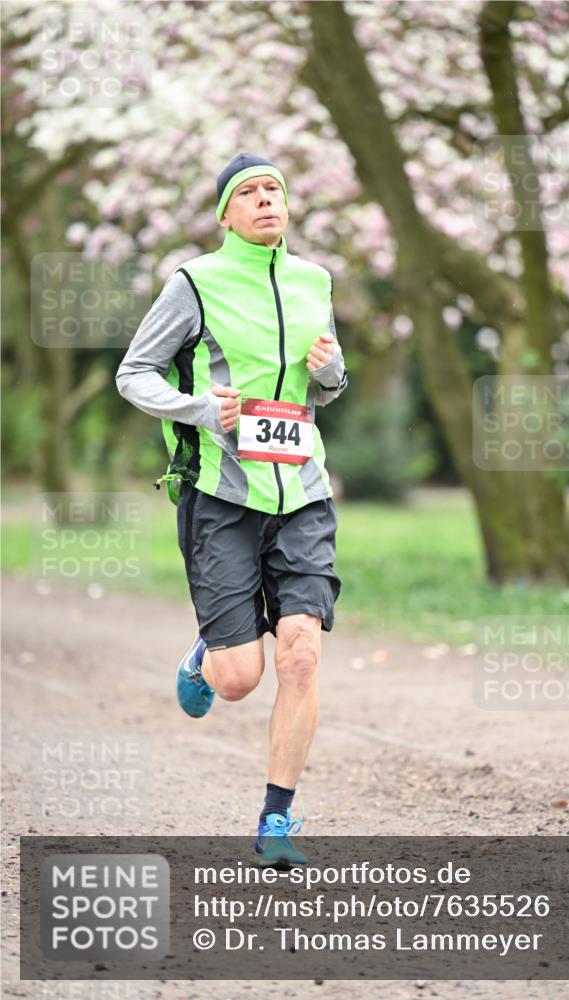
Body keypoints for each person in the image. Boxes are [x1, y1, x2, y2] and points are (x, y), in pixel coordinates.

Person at [116, 152, 348, 865]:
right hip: (221, 492)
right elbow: (134, 374)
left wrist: (332, 373)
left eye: (274, 188)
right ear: (225, 214)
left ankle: (276, 821)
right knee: (241, 678)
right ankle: (206, 656)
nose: (264, 200)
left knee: (301, 655)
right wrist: (196, 409)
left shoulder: (315, 280)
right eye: (247, 193)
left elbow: (327, 386)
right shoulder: (193, 283)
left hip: (302, 488)